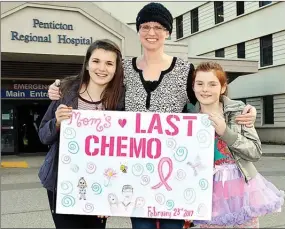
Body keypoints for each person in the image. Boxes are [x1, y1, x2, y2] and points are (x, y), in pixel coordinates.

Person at [46, 3, 258, 229]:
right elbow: (96, 79)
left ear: (167, 32)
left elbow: (208, 97)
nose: (151, 33)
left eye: (158, 27)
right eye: (145, 26)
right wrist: (59, 85)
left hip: (175, 171)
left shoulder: (184, 70)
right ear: (138, 31)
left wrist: (241, 109)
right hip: (137, 171)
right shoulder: (124, 69)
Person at [186, 61, 285, 228]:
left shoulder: (240, 112)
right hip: (209, 191)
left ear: (223, 87)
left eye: (212, 84)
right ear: (193, 86)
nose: (205, 89)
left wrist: (226, 132)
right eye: (200, 83)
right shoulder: (187, 117)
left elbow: (255, 152)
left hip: (243, 187)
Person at [38, 39, 124, 228]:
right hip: (61, 183)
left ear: (116, 68)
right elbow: (43, 135)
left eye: (109, 63)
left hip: (101, 185)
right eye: (96, 61)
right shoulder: (67, 91)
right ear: (87, 64)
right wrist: (57, 123)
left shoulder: (120, 100)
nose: (102, 68)